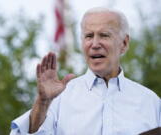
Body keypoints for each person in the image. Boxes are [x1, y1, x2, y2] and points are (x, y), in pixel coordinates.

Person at [10, 7, 161, 135]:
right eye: (89, 36)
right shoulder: (58, 99)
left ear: (124, 43)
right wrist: (42, 102)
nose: (95, 44)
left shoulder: (151, 102)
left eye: (104, 35)